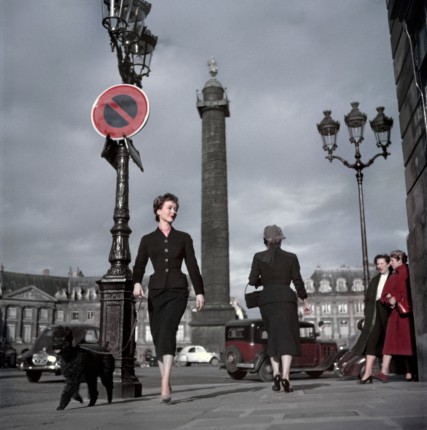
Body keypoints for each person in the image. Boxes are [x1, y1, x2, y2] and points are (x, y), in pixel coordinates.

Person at [132, 193, 205, 402]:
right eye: (169, 208)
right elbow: (139, 265)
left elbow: (192, 265)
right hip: (156, 292)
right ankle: (165, 377)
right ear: (158, 211)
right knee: (158, 336)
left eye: (175, 209)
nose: (173, 212)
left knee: (167, 330)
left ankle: (164, 383)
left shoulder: (184, 238)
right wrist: (137, 283)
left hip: (178, 291)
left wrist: (200, 291)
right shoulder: (147, 240)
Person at [248, 225, 310, 393]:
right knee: (287, 337)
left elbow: (252, 280)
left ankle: (275, 374)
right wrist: (305, 300)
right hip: (286, 299)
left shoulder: (258, 257)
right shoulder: (291, 257)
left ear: (265, 240)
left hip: (267, 300)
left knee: (273, 337)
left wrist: (265, 280)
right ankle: (286, 377)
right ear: (281, 240)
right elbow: (297, 281)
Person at [373, 250, 416, 383]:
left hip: (406, 313)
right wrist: (388, 300)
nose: (390, 263)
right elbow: (384, 296)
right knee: (390, 342)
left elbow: (410, 291)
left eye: (392, 260)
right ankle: (384, 371)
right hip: (395, 314)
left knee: (407, 344)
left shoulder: (408, 272)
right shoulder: (393, 276)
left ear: (400, 259)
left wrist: (395, 298)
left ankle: (409, 372)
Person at [352, 254, 391, 384]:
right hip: (375, 311)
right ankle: (367, 373)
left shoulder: (393, 277)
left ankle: (402, 371)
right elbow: (368, 299)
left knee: (390, 341)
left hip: (388, 311)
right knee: (371, 341)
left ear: (388, 264)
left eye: (382, 263)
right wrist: (367, 315)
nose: (379, 266)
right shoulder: (374, 280)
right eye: (377, 264)